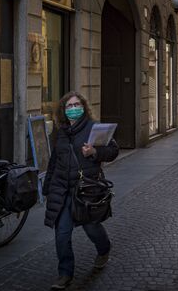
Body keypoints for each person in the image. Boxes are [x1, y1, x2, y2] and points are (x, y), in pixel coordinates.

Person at [43, 91, 119, 290]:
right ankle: (65, 274)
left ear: (84, 107)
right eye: (69, 106)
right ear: (63, 111)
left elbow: (113, 151)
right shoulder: (60, 132)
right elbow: (54, 162)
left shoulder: (95, 128)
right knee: (62, 234)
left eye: (76, 105)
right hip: (62, 190)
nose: (73, 109)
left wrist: (94, 152)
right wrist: (47, 187)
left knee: (91, 228)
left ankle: (104, 249)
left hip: (85, 190)